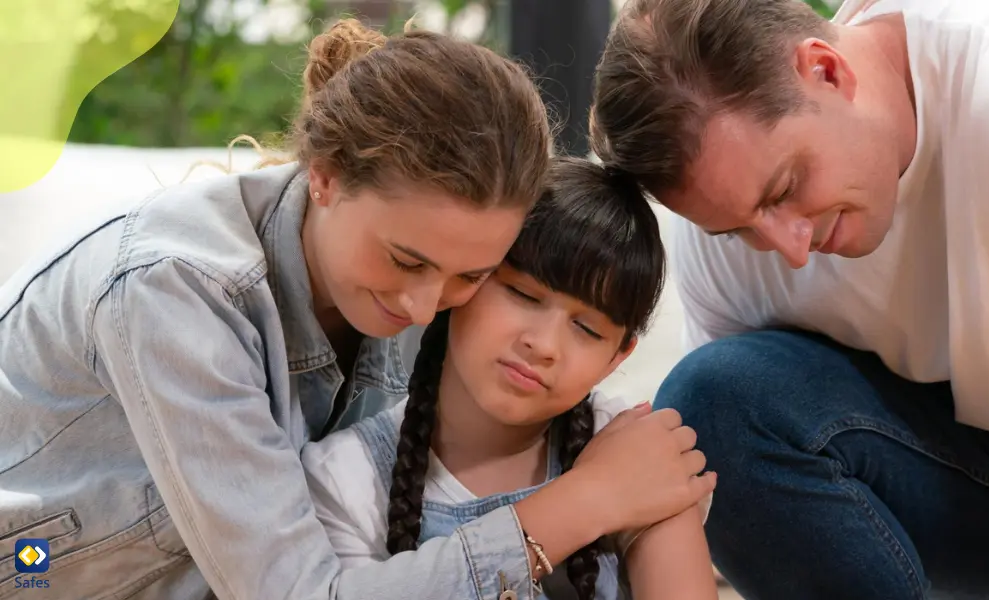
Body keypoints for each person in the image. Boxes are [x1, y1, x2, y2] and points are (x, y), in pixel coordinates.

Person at [0, 18, 713, 600]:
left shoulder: (412, 296)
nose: (424, 304)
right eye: (407, 261)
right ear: (325, 176)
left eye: (473, 274)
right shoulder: (175, 290)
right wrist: (583, 504)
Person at [588, 0, 989, 598]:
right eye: (740, 227)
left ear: (827, 69)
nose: (789, 248)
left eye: (785, 188)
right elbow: (738, 485)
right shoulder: (732, 241)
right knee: (717, 406)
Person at [301, 157, 718, 600]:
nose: (543, 344)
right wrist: (590, 498)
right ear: (463, 279)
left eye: (588, 329)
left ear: (617, 357)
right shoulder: (346, 479)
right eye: (522, 294)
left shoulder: (635, 449)